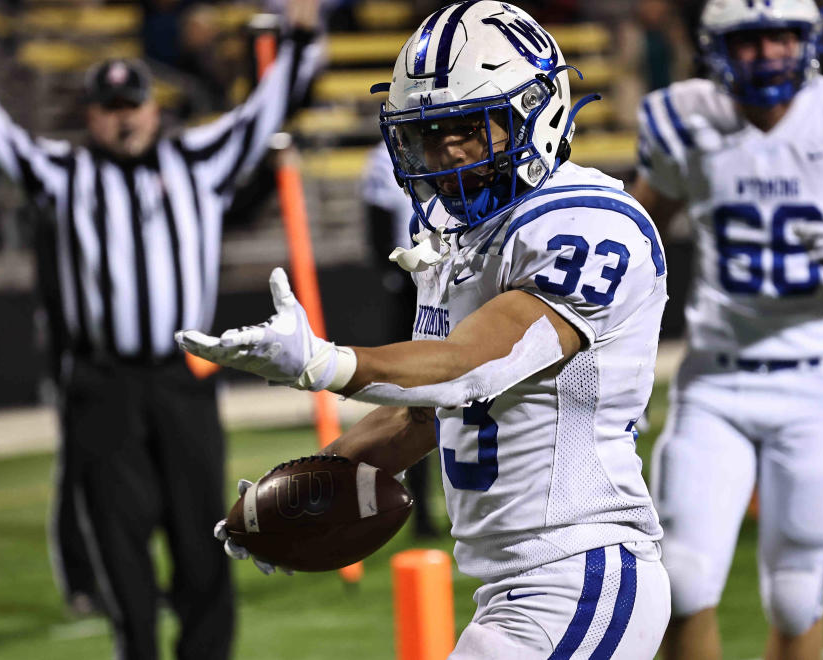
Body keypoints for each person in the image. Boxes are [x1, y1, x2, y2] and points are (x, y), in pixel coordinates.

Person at [179, 2, 672, 656]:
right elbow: (423, 417)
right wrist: (297, 495)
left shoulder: (588, 221)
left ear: (537, 109)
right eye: (430, 132)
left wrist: (325, 365)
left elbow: (473, 364)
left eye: (468, 127)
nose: (447, 151)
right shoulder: (457, 237)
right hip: (514, 584)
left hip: (579, 571)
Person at [0, 0, 322, 656]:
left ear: (153, 107)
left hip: (182, 380)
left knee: (205, 538)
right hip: (104, 382)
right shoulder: (65, 173)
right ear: (92, 116)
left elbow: (263, 114)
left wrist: (302, 38)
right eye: (110, 109)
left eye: (133, 105)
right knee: (120, 545)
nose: (124, 120)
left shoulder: (198, 161)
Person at [630, 1, 823, 658]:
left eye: (781, 38)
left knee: (795, 590)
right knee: (683, 579)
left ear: (808, 42)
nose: (766, 55)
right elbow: (633, 232)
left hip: (820, 378)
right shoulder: (687, 118)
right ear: (718, 50)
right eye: (749, 41)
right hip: (717, 377)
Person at [361, 141, 439, 539]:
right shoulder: (381, 157)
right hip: (412, 287)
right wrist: (396, 279)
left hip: (461, 280)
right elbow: (376, 229)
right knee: (410, 401)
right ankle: (418, 510)